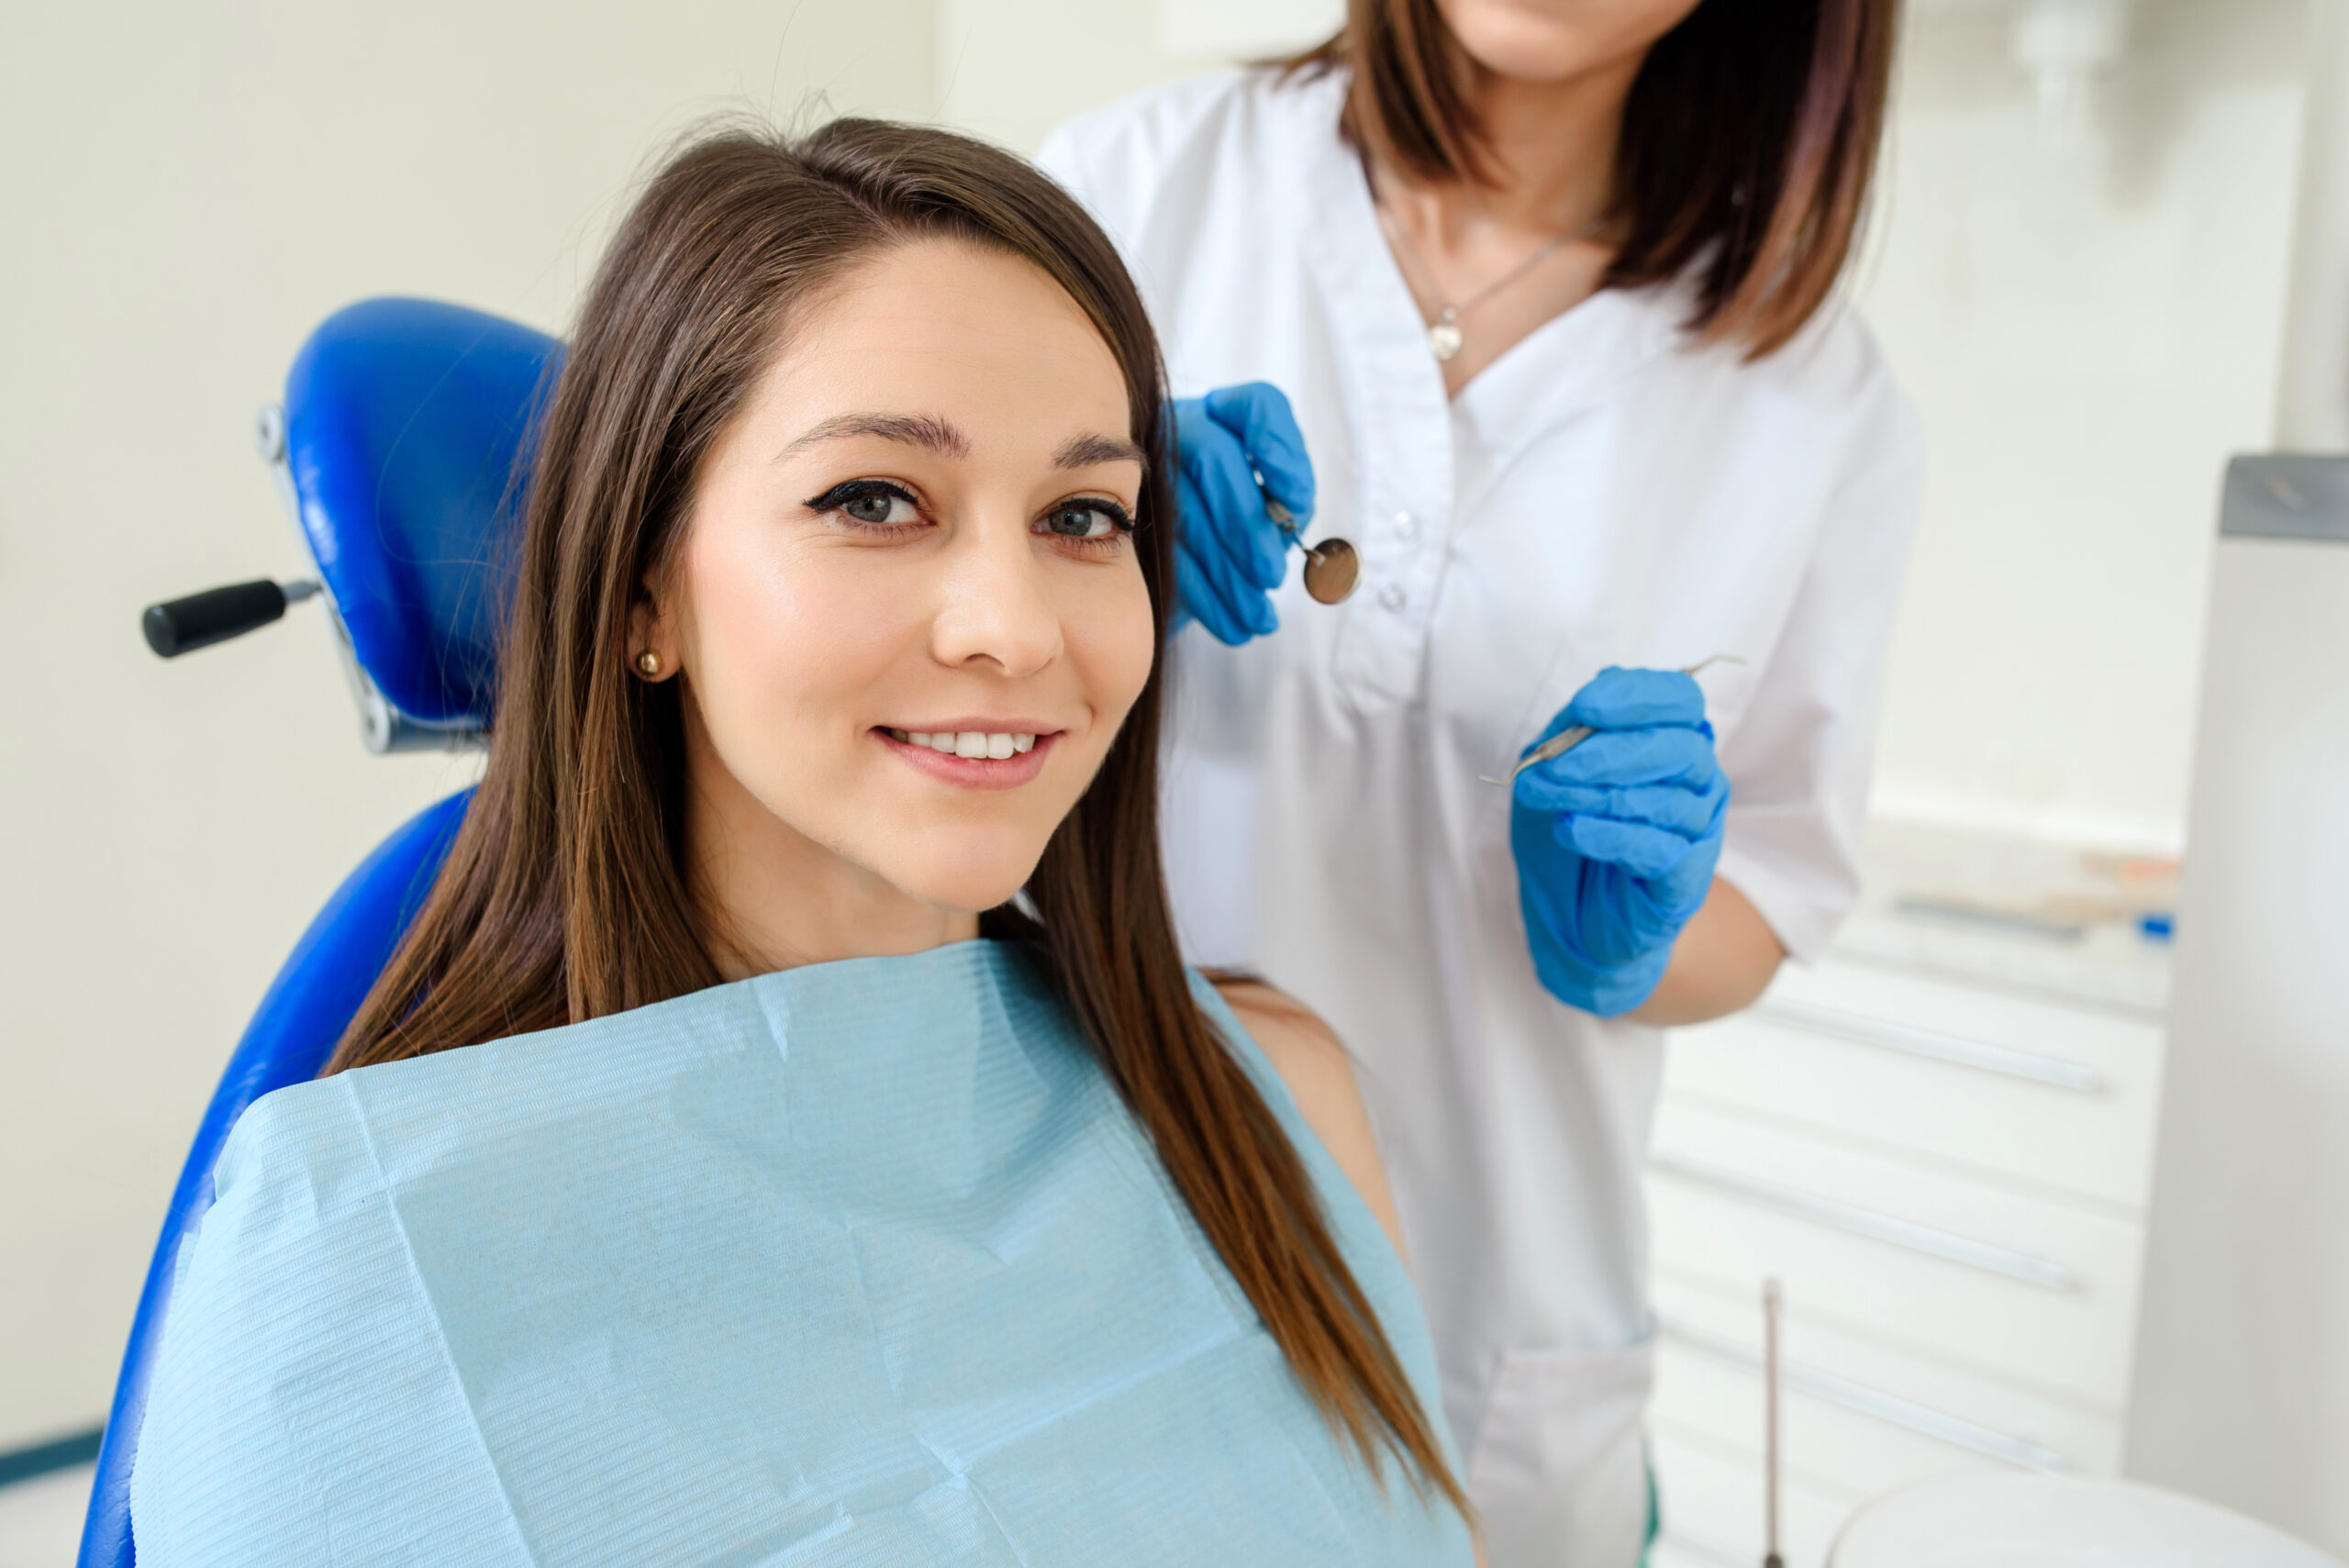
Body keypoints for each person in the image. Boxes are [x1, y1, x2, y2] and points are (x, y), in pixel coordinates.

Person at [128, 119, 1476, 1566]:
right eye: (875, 500)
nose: (1015, 627)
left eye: (1082, 514)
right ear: (645, 588)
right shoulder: (355, 1273)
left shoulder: (1270, 1098)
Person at [1037, 2, 1920, 1562]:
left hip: (1492, 1318)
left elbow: (1771, 891)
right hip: (1082, 1236)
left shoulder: (1813, 396)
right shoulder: (1125, 197)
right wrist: (1066, 538)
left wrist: (1637, 933)